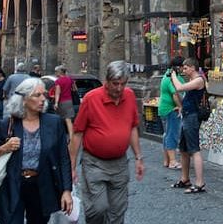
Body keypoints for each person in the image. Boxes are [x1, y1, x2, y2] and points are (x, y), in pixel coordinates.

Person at [0, 78, 73, 223]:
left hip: (42, 185)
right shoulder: (8, 124)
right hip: (13, 184)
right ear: (23, 100)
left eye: (43, 94)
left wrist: (67, 190)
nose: (43, 99)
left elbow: (63, 158)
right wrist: (4, 148)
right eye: (37, 95)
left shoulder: (53, 122)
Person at [69, 60, 144, 224]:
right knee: (98, 208)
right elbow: (77, 133)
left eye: (122, 84)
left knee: (118, 210)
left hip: (119, 164)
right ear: (106, 81)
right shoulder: (91, 98)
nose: (119, 88)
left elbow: (132, 128)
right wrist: (72, 167)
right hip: (95, 163)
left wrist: (138, 157)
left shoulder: (129, 96)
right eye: (115, 84)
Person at [169, 57, 206, 194]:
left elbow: (179, 87)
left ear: (192, 67)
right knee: (183, 150)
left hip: (192, 117)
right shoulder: (191, 81)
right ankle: (185, 179)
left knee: (194, 150)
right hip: (186, 115)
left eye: (185, 68)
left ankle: (200, 182)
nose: (183, 71)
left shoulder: (199, 80)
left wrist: (173, 76)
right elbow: (180, 95)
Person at [158, 55, 184, 171]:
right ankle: (172, 161)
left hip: (164, 109)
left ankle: (167, 160)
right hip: (170, 109)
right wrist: (180, 106)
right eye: (183, 66)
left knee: (166, 134)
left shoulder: (168, 75)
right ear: (178, 67)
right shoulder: (170, 77)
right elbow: (175, 94)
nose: (184, 69)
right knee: (172, 134)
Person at [52, 66, 75, 136]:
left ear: (60, 72)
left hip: (61, 102)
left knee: (59, 119)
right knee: (68, 120)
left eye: (56, 71)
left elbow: (57, 93)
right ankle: (71, 137)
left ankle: (59, 135)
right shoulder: (70, 80)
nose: (55, 73)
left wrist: (56, 103)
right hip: (69, 101)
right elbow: (74, 89)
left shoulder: (58, 81)